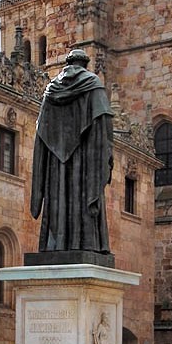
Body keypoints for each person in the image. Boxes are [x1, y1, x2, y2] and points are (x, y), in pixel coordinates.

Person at [30, 49, 114, 254]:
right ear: (84, 65)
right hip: (85, 160)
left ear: (68, 64)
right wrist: (106, 155)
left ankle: (56, 243)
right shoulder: (94, 85)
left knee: (59, 195)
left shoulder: (50, 91)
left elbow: (41, 129)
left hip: (55, 165)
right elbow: (104, 125)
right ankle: (86, 243)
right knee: (80, 196)